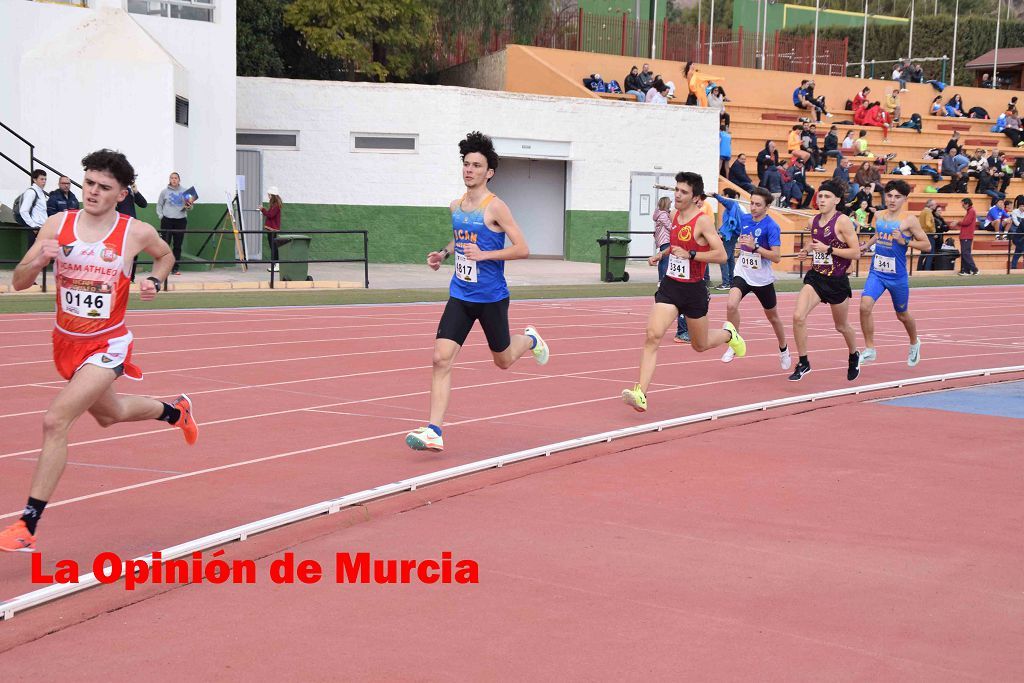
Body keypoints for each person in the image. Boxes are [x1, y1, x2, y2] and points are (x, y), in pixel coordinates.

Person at [0, 149, 197, 553]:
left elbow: (165, 255)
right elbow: (18, 282)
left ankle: (27, 524)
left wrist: (155, 281)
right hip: (65, 343)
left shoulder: (133, 232)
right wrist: (38, 259)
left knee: (56, 420)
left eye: (103, 187)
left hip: (108, 343)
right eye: (88, 182)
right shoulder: (58, 224)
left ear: (121, 193)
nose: (92, 192)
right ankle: (175, 411)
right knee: (111, 415)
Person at [405, 132, 548, 451]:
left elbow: (523, 248)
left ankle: (530, 339)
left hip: (491, 298)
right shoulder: (456, 206)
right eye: (466, 164)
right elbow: (460, 238)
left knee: (504, 360)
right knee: (440, 358)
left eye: (476, 165)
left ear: (489, 172)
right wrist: (442, 254)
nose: (469, 170)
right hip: (460, 295)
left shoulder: (496, 207)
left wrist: (485, 255)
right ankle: (434, 431)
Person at [622, 172, 746, 412]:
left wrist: (691, 255)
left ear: (696, 197)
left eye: (684, 192)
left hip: (694, 290)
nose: (677, 195)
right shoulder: (673, 215)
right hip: (671, 285)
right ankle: (641, 393)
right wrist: (663, 253)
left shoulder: (702, 221)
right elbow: (677, 246)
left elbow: (722, 255)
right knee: (652, 335)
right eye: (676, 190)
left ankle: (729, 334)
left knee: (699, 345)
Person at [788, 180, 862, 382]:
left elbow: (856, 253)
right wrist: (806, 251)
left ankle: (853, 354)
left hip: (837, 281)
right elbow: (815, 245)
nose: (822, 199)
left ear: (837, 200)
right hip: (816, 277)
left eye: (827, 196)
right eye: (820, 196)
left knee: (841, 326)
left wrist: (829, 250)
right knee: (798, 317)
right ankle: (803, 362)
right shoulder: (813, 221)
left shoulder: (843, 221)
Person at [858, 180, 931, 369]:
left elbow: (926, 245)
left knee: (902, 315)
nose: (892, 200)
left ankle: (915, 342)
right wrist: (866, 245)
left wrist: (905, 241)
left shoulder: (910, 220)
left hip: (897, 276)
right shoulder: (879, 215)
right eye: (889, 195)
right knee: (865, 307)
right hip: (877, 272)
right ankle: (870, 349)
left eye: (897, 197)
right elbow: (878, 234)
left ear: (905, 199)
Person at [719, 187, 791, 369]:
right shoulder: (744, 219)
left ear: (767, 207)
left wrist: (756, 246)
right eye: (751, 203)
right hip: (743, 271)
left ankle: (784, 349)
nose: (753, 207)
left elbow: (776, 257)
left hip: (762, 278)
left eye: (758, 205)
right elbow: (730, 204)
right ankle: (734, 343)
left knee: (773, 317)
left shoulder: (772, 226)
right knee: (731, 305)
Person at [156, 172, 194, 275]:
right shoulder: (164, 192)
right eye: (172, 178)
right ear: (169, 180)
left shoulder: (186, 192)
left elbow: (190, 207)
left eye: (176, 178)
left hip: (181, 220)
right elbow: (159, 205)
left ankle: (175, 268)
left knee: (177, 245)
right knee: (165, 245)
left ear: (179, 180)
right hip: (167, 220)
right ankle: (163, 268)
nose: (174, 180)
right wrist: (161, 216)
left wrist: (189, 206)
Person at [18, 169, 48, 250]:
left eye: (45, 179)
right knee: (33, 254)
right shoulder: (31, 192)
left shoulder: (41, 192)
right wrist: (33, 226)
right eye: (41, 179)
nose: (44, 181)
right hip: (35, 229)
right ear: (34, 180)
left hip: (41, 228)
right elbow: (23, 210)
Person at [953, 197, 979, 275]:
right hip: (966, 235)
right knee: (965, 253)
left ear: (967, 204)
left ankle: (974, 269)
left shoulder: (971, 211)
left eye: (963, 204)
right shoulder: (970, 211)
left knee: (965, 253)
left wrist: (957, 222)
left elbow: (967, 222)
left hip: (966, 235)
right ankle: (965, 270)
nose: (962, 206)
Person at [261, 186, 283, 271]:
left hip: (272, 229)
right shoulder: (274, 204)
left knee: (274, 247)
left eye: (269, 195)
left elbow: (270, 215)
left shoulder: (276, 205)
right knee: (273, 247)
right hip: (271, 229)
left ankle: (276, 265)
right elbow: (270, 214)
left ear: (273, 195)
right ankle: (275, 264)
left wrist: (262, 209)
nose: (268, 196)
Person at [917, 198, 940, 270]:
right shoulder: (928, 212)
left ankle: (919, 268)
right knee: (930, 253)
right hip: (929, 234)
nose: (936, 205)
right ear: (931, 205)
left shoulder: (923, 211)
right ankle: (927, 269)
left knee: (923, 253)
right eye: (935, 204)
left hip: (923, 234)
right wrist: (933, 231)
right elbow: (928, 223)